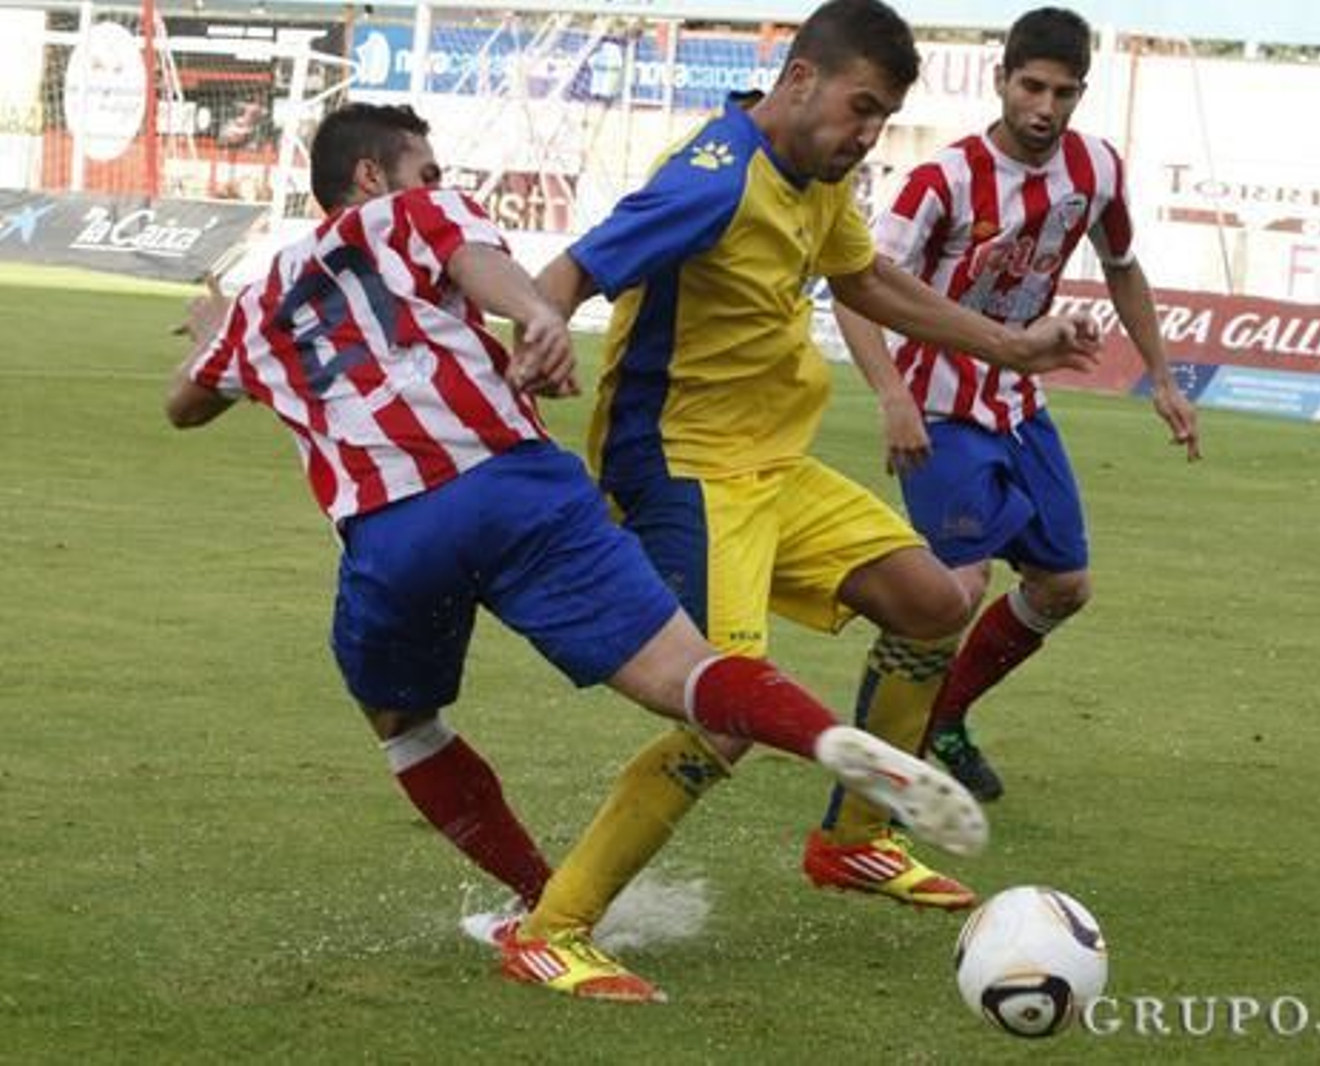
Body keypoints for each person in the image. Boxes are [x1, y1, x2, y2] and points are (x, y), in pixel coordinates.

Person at [164, 101, 988, 1004]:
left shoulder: (261, 305)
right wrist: (535, 317)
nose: (436, 185)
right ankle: (824, 737)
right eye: (425, 168)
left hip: (391, 534)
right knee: (690, 672)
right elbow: (483, 266)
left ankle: (534, 906)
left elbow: (186, 406)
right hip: (517, 489)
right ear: (370, 176)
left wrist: (214, 342)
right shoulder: (409, 214)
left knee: (406, 728)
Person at [484, 0, 1104, 986]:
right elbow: (570, 269)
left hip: (774, 466)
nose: (866, 136)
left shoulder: (817, 177)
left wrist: (1010, 344)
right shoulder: (715, 178)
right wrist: (540, 326)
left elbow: (868, 281)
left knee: (938, 598)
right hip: (685, 471)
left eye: (882, 119)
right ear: (800, 78)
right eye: (860, 109)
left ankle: (852, 839)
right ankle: (551, 929)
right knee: (723, 713)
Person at [832, 7, 1200, 802]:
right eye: (1031, 86)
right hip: (936, 404)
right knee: (952, 594)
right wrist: (892, 396)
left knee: (1064, 587)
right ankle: (876, 768)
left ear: (1080, 94)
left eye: (1063, 92)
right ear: (1001, 80)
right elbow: (855, 289)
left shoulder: (1097, 169)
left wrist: (1165, 379)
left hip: (1018, 400)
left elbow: (1124, 265)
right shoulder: (943, 179)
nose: (1045, 107)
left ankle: (942, 719)